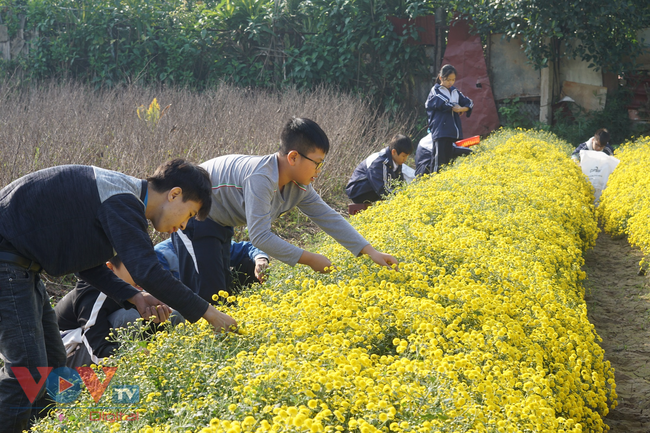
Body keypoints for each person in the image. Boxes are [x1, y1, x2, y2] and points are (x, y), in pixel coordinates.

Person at [0, 159, 236, 432]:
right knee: (26, 370)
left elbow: (86, 265)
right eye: (189, 213)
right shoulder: (121, 199)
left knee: (52, 364)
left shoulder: (120, 197)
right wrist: (209, 313)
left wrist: (134, 297)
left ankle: (33, 427)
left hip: (22, 267)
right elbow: (147, 271)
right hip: (8, 263)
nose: (183, 226)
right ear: (174, 194)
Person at [172, 117, 399, 302]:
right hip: (192, 217)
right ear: (293, 157)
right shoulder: (261, 177)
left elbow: (328, 216)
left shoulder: (299, 185)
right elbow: (259, 236)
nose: (318, 170)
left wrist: (371, 251)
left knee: (223, 295)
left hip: (220, 223)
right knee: (208, 299)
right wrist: (311, 259)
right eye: (317, 162)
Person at [55, 255, 183, 368]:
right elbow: (97, 349)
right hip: (61, 369)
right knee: (126, 318)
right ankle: (118, 391)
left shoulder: (135, 287)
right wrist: (136, 356)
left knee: (173, 315)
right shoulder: (96, 289)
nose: (143, 272)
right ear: (110, 269)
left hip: (95, 353)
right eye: (134, 267)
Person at [416, 64, 474, 175]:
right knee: (438, 161)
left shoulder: (455, 91)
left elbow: (469, 102)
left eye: (453, 80)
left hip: (451, 132)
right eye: (448, 80)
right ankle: (435, 182)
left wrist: (462, 108)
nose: (451, 83)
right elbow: (442, 102)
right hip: (440, 131)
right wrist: (455, 108)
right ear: (441, 78)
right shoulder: (435, 90)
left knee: (448, 162)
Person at [155, 238, 270, 290]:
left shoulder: (205, 241)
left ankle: (251, 303)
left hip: (221, 294)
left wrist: (260, 259)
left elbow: (246, 248)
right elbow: (165, 290)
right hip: (188, 304)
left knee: (250, 262)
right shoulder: (161, 253)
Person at [345, 134, 413, 204]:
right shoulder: (380, 161)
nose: (405, 159)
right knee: (387, 192)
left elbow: (399, 183)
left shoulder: (397, 161)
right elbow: (381, 188)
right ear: (394, 152)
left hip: (372, 189)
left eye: (407, 156)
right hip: (358, 191)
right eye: (403, 156)